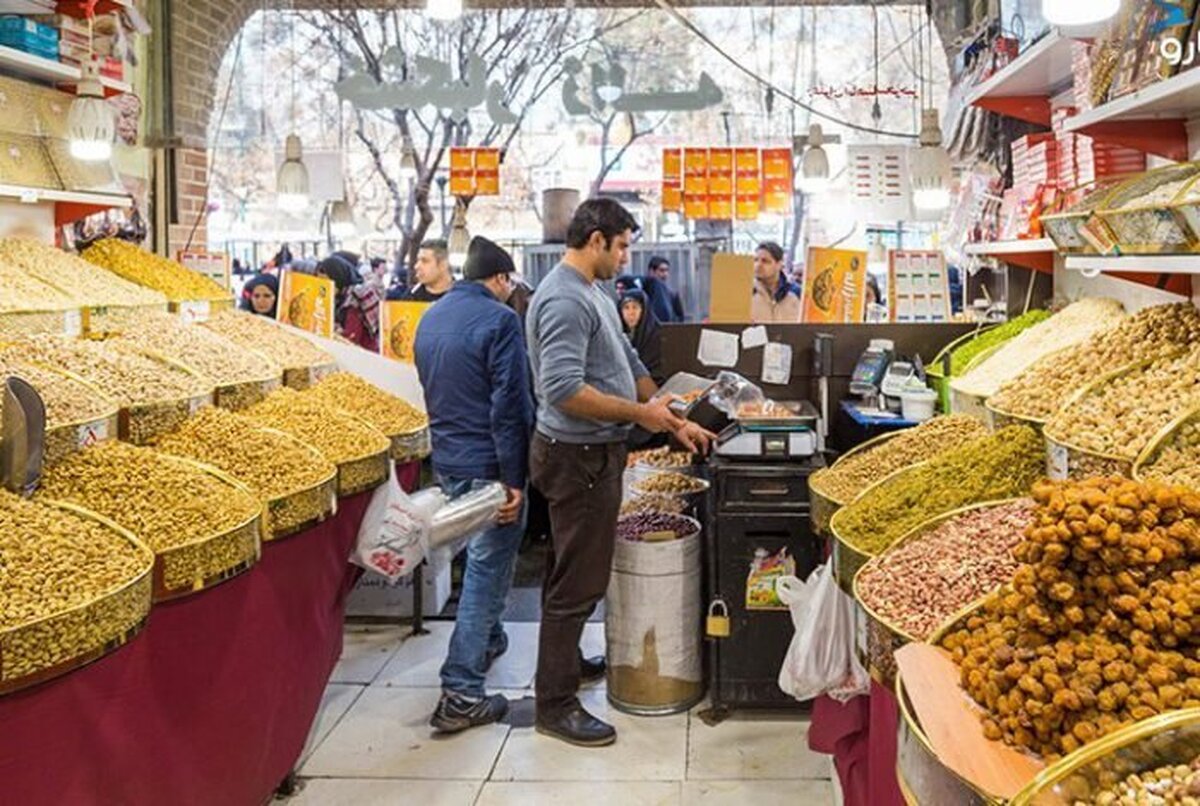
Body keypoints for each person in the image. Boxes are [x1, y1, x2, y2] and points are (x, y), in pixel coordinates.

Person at [526, 198, 714, 747]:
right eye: (623, 246)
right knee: (578, 585)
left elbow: (628, 366)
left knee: (567, 573)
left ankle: (560, 666)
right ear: (596, 240)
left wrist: (672, 417)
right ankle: (555, 705)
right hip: (576, 457)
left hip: (590, 454)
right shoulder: (563, 299)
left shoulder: (597, 292)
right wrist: (641, 416)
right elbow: (564, 389)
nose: (626, 257)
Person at [413, 236, 533, 733]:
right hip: (490, 465)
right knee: (487, 569)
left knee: (477, 558)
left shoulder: (431, 317)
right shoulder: (501, 320)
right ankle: (461, 690)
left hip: (449, 460)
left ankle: (486, 640)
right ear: (501, 279)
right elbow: (510, 407)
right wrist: (513, 480)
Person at [316, 254, 380, 351]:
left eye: (326, 283)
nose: (323, 288)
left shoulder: (354, 299)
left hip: (364, 356)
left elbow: (351, 338)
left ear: (338, 278)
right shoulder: (338, 298)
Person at [619, 290, 664, 386]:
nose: (631, 313)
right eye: (626, 308)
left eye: (635, 307)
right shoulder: (618, 334)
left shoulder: (656, 335)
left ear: (644, 310)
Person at [751, 241, 802, 323]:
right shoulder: (747, 293)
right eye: (755, 260)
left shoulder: (796, 293)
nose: (758, 265)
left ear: (779, 264)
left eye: (765, 261)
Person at [646, 256, 685, 323]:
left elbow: (680, 317)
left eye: (667, 270)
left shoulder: (672, 294)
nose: (665, 274)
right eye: (661, 270)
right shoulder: (643, 292)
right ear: (651, 272)